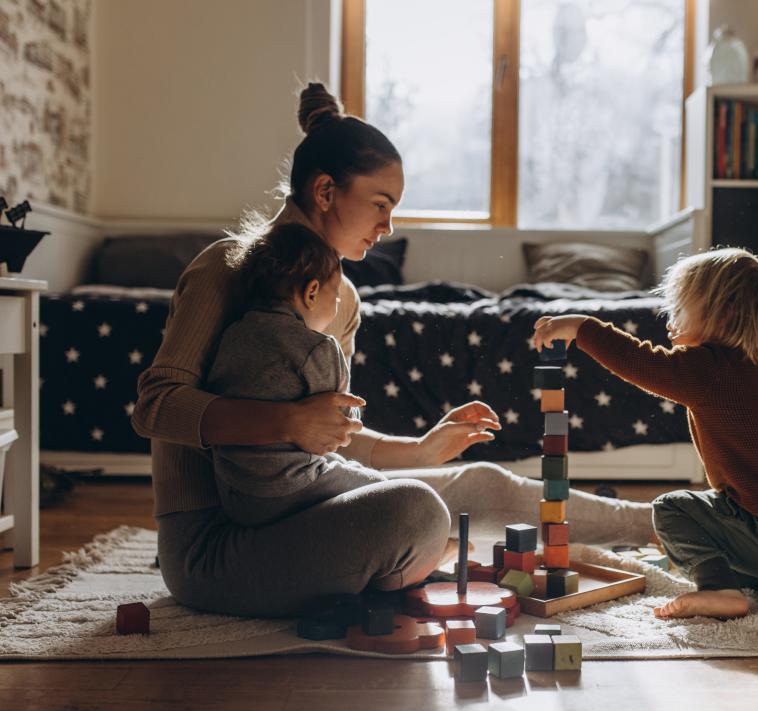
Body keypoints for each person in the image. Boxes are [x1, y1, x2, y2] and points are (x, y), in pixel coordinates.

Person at [133, 82, 655, 619]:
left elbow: (330, 437)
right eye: (380, 205)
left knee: (479, 482)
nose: (388, 227)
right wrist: (287, 422)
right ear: (325, 191)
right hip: (214, 546)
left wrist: (420, 451)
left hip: (302, 507)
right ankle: (399, 566)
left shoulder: (345, 300)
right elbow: (155, 406)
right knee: (414, 513)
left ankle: (661, 525)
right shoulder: (225, 267)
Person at [532, 248, 758, 620]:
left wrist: (582, 327)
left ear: (721, 313)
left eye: (679, 310)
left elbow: (641, 362)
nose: (669, 321)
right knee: (718, 535)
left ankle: (719, 590)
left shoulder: (711, 368)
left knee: (671, 510)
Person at [206, 223, 388, 527]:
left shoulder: (232, 334)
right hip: (293, 485)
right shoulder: (317, 346)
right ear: (312, 292)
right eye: (337, 299)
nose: (337, 308)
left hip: (236, 495)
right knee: (385, 489)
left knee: (337, 466)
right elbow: (343, 420)